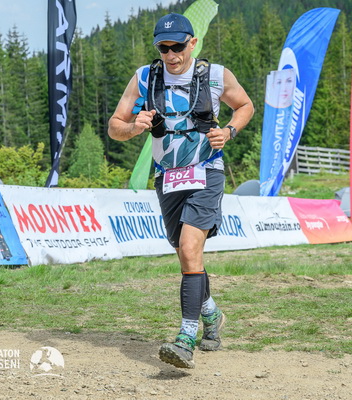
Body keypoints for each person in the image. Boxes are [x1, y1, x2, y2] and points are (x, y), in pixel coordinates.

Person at [108, 13, 254, 369]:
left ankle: (186, 338)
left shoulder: (215, 75)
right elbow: (114, 126)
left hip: (206, 171)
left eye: (178, 47)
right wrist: (134, 126)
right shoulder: (145, 77)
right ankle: (212, 315)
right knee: (186, 255)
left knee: (190, 248)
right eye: (164, 48)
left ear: (193, 43)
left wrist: (229, 132)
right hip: (168, 176)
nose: (171, 55)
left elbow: (245, 106)